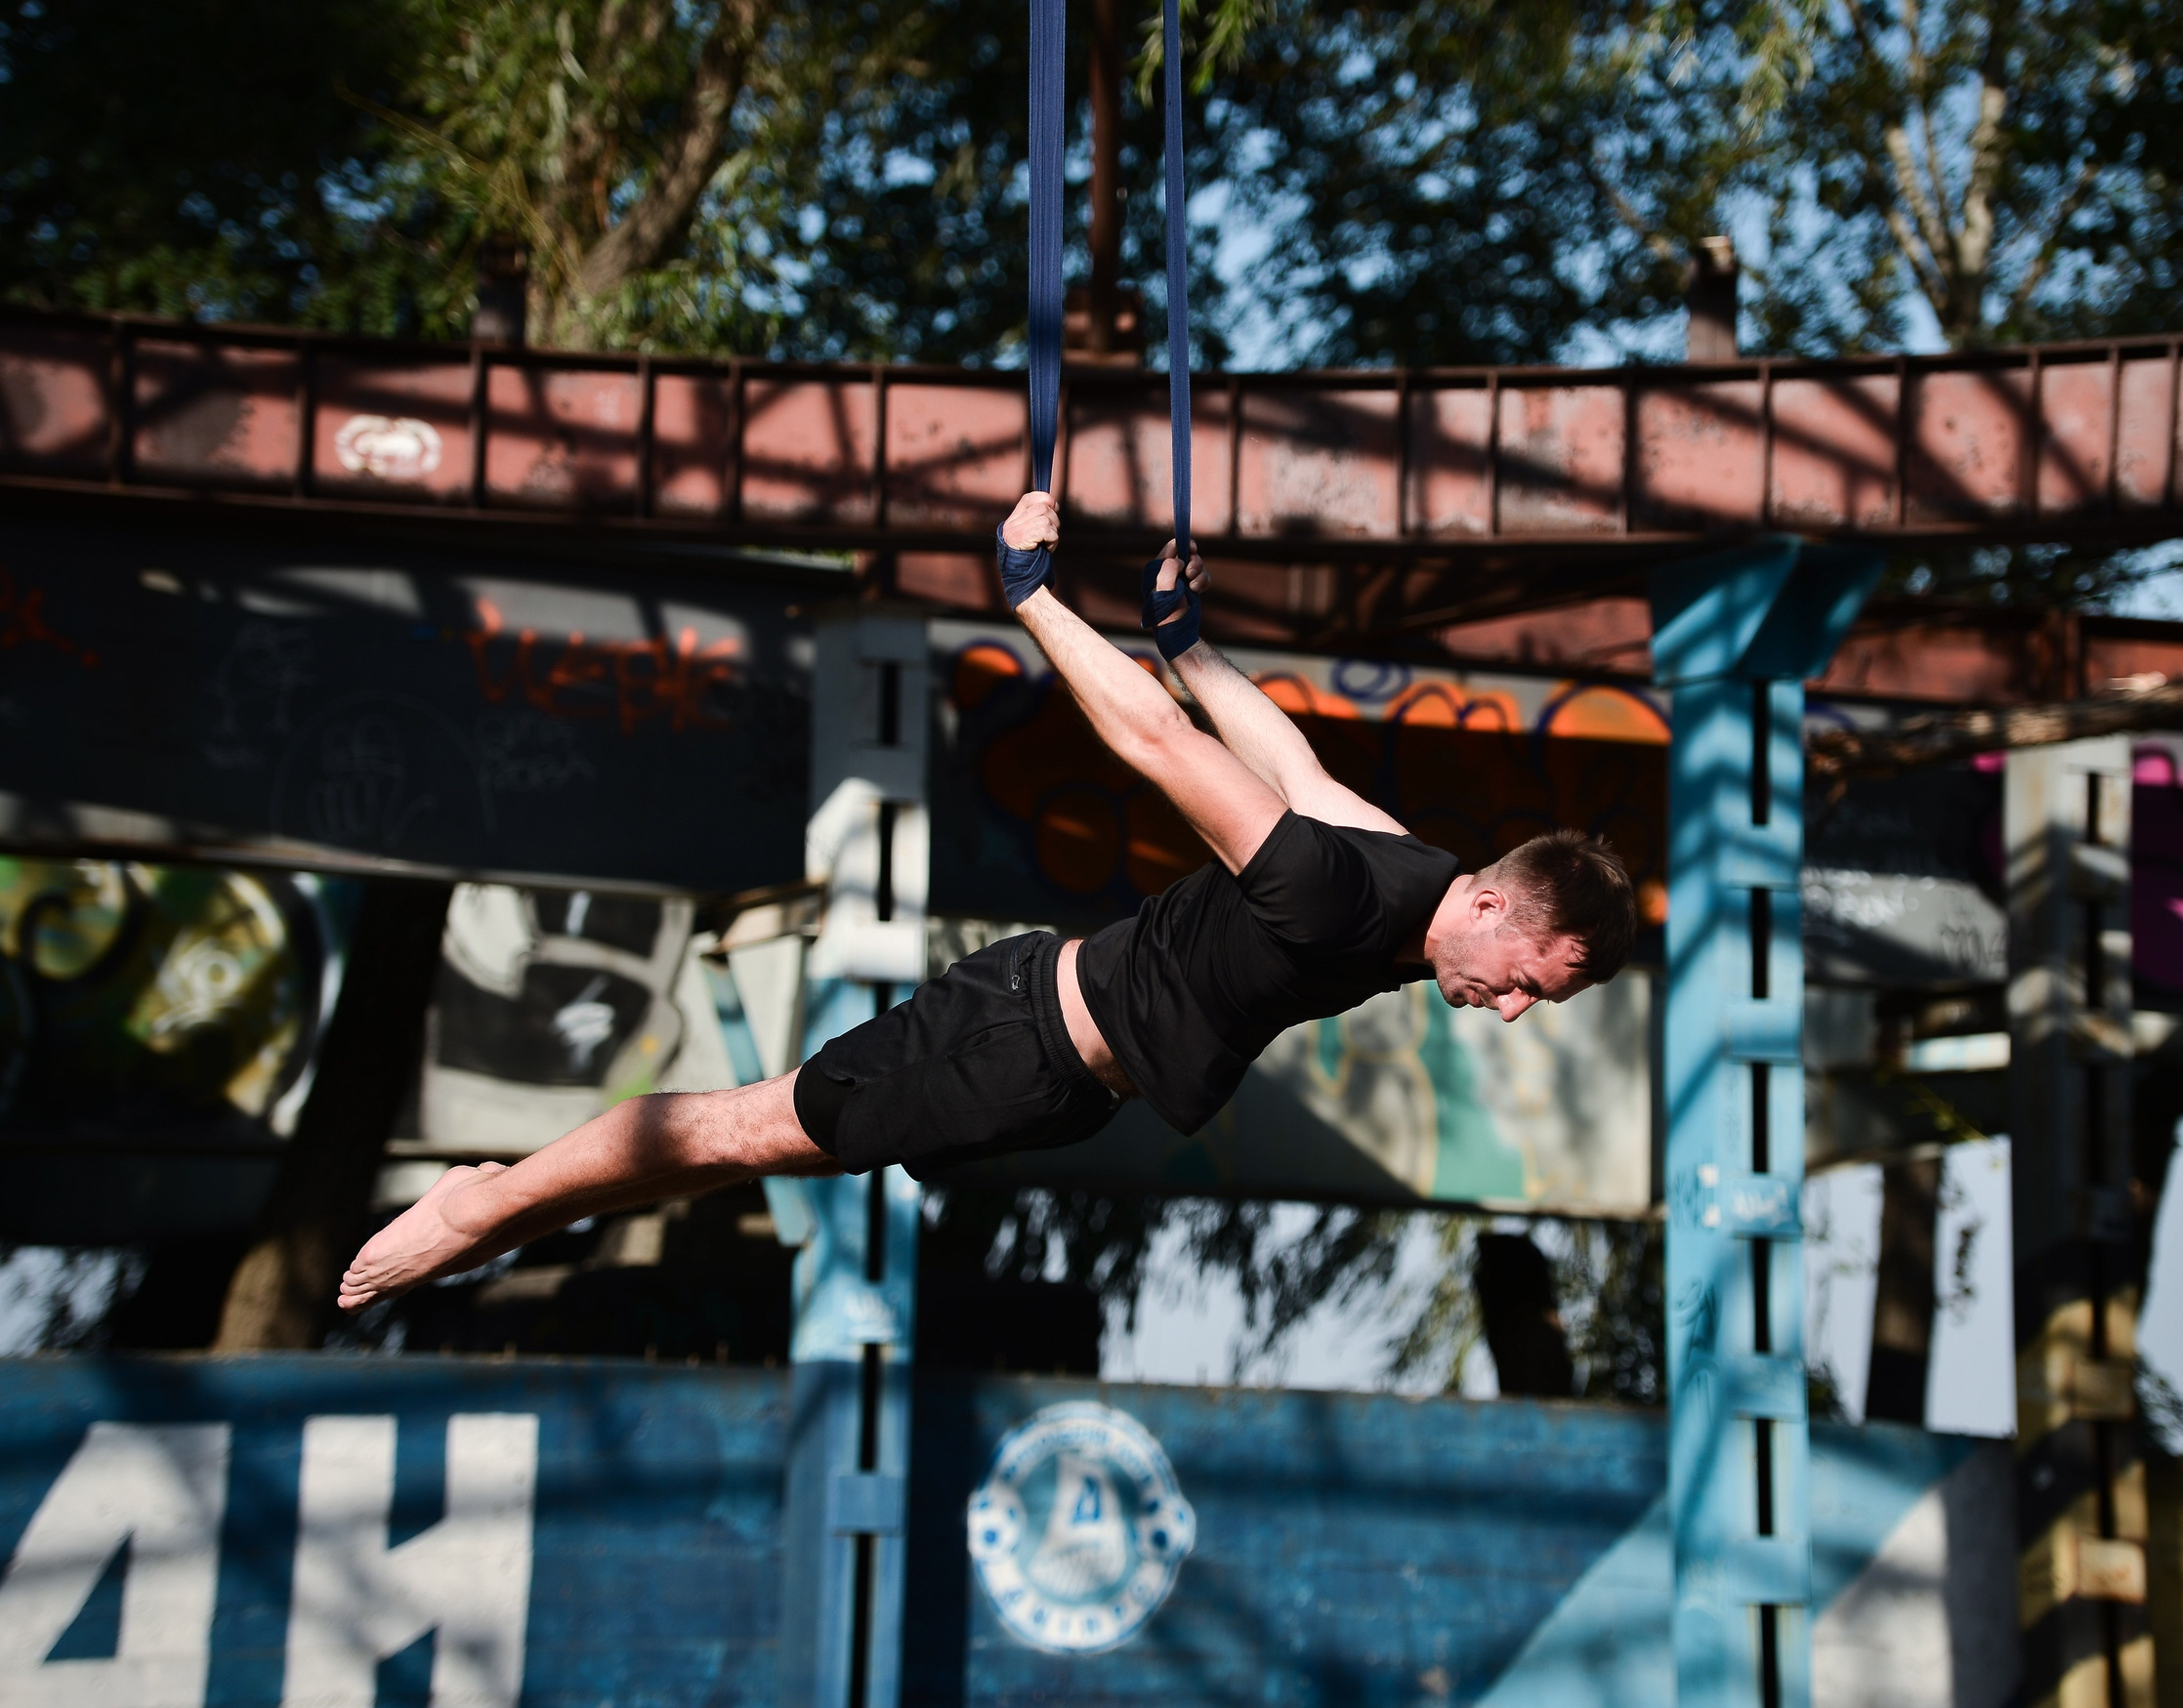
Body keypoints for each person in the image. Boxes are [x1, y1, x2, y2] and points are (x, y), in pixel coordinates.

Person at [337, 491, 1641, 1312]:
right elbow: (1155, 746)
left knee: (735, 1146)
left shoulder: (1409, 875)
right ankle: (485, 1203)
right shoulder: (1323, 888)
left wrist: (1191, 641)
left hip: (1042, 1062)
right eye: (1532, 979)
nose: (1514, 1011)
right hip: (1010, 1047)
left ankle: (502, 1202)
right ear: (1497, 912)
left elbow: (1287, 755)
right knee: (736, 1131)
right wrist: (1036, 600)